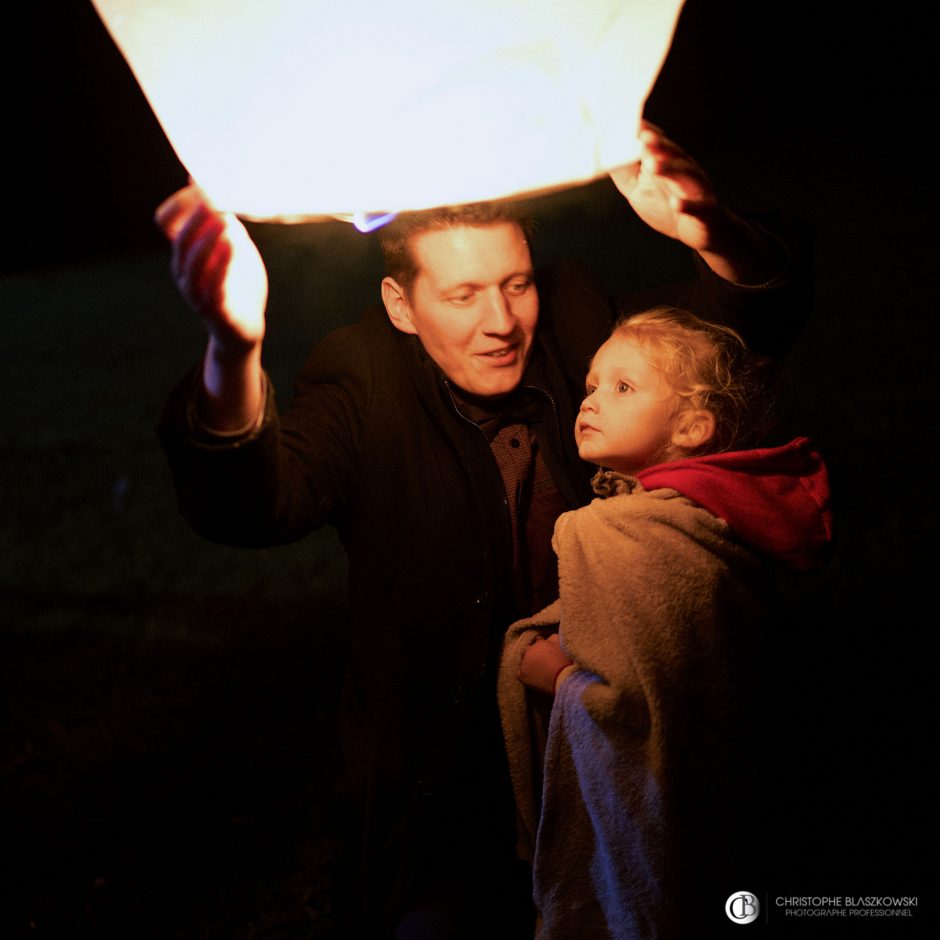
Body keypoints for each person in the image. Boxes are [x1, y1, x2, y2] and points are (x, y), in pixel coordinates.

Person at [154, 126, 812, 938]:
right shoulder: (362, 373)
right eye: (462, 296)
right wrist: (232, 346)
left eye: (516, 285)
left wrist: (715, 233)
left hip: (612, 759)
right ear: (403, 304)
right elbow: (255, 505)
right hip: (441, 776)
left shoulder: (575, 321)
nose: (502, 321)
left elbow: (727, 347)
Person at [498, 308, 833, 939]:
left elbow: (651, 717)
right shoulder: (714, 518)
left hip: (667, 847)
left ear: (692, 427)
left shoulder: (620, 530)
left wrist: (560, 677)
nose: (591, 400)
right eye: (593, 384)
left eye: (623, 388)